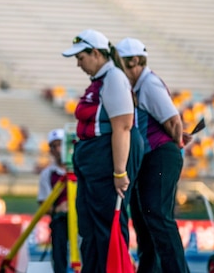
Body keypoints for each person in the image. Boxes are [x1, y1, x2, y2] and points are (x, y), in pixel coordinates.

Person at [61, 29, 143, 273]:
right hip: (92, 159)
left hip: (105, 158)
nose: (78, 63)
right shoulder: (100, 81)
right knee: (90, 226)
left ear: (96, 54)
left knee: (107, 225)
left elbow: (123, 126)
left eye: (81, 57)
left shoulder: (114, 78)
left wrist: (119, 172)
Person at [116, 37, 191, 273]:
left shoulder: (148, 84)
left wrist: (176, 140)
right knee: (144, 219)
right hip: (152, 156)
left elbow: (172, 119)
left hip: (159, 156)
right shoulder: (139, 86)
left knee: (157, 217)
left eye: (120, 64)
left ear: (135, 61)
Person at [37, 128, 69, 273]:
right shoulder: (47, 174)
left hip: (82, 219)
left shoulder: (81, 169)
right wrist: (58, 209)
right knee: (59, 251)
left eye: (60, 144)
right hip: (60, 220)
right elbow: (43, 204)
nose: (58, 149)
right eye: (54, 146)